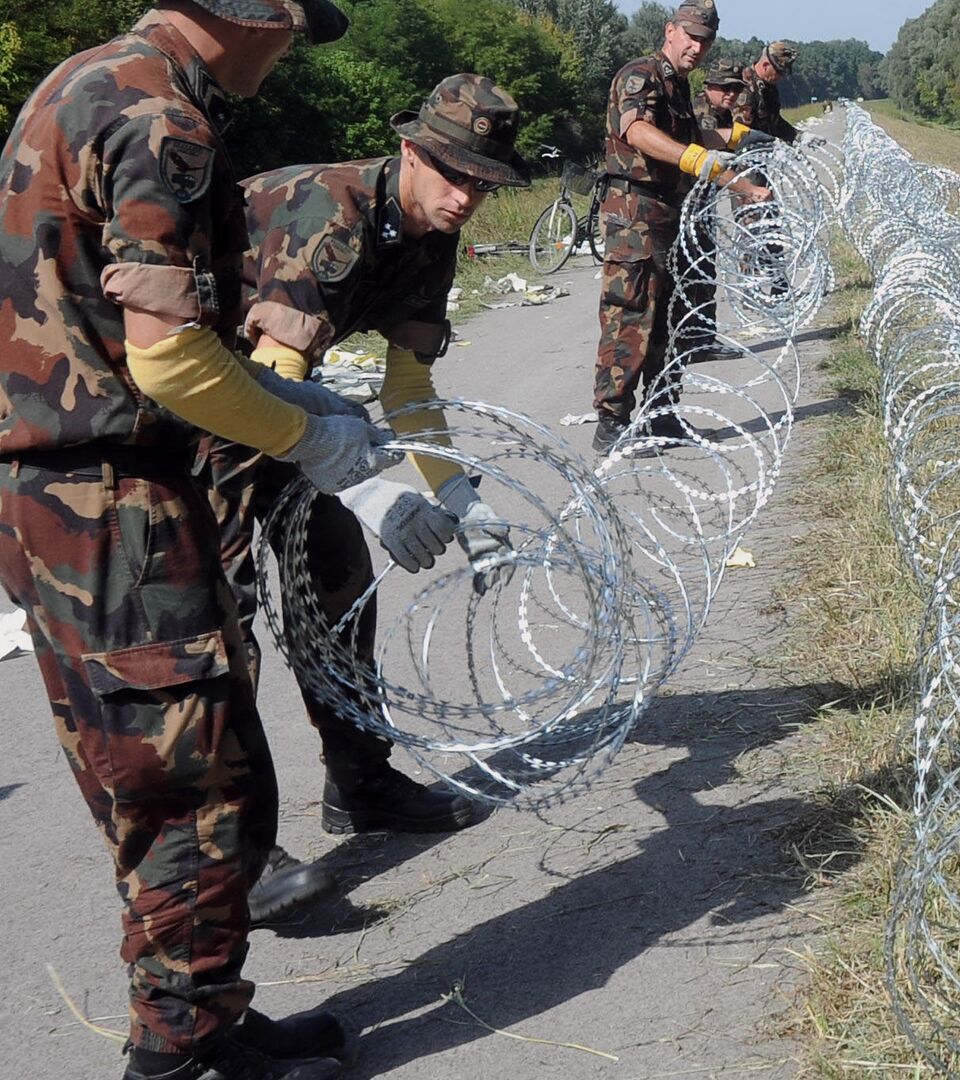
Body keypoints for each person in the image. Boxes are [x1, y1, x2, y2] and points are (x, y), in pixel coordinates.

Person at [0, 1, 391, 1077]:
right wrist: (305, 432)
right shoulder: (161, 116)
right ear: (248, 18)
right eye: (292, 24)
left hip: (61, 494)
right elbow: (169, 361)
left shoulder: (86, 82)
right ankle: (174, 1055)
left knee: (155, 776)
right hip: (109, 497)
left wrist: (282, 391)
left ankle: (201, 1014)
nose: (291, 47)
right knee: (196, 791)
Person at [218, 74, 534, 921]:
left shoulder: (431, 231)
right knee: (218, 624)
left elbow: (408, 385)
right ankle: (236, 857)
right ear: (409, 152)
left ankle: (361, 787)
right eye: (453, 174)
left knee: (339, 587)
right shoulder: (329, 213)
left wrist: (459, 497)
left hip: (283, 397)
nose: (467, 196)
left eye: (483, 182)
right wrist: (363, 486)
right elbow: (266, 376)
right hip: (193, 402)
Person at [592, 0, 771, 455]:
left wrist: (741, 167)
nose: (697, 46)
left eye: (705, 40)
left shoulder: (678, 86)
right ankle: (612, 421)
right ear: (670, 30)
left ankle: (661, 412)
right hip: (635, 213)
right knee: (631, 314)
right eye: (690, 36)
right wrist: (698, 158)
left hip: (671, 212)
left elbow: (694, 142)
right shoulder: (641, 75)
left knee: (671, 316)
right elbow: (638, 132)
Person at [681, 59, 752, 360]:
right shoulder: (702, 112)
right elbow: (710, 162)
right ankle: (695, 340)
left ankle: (701, 339)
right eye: (725, 88)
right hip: (690, 203)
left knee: (704, 267)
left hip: (702, 203)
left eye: (736, 89)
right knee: (696, 270)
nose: (731, 94)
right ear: (709, 86)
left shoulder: (721, 112)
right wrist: (743, 187)